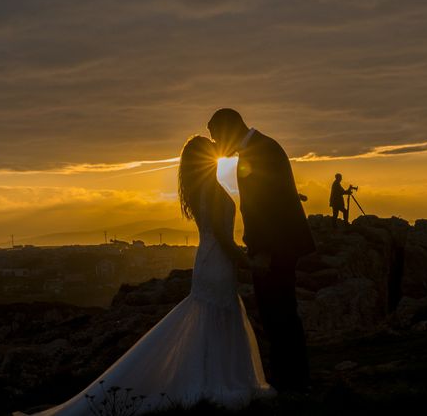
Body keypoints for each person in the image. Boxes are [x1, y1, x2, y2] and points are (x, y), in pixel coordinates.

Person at [14, 135, 274, 416]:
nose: (216, 152)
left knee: (210, 320)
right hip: (218, 264)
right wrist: (248, 262)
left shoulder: (201, 190)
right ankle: (215, 379)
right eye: (211, 150)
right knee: (219, 318)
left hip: (207, 263)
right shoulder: (212, 191)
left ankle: (210, 376)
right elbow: (223, 238)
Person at [207, 108, 316, 392]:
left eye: (217, 138)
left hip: (274, 250)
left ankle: (291, 383)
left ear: (229, 131)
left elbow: (266, 208)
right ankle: (293, 380)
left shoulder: (260, 152)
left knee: (278, 315)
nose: (217, 146)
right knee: (280, 314)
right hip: (279, 246)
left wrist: (263, 251)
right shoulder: (263, 148)